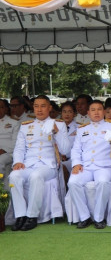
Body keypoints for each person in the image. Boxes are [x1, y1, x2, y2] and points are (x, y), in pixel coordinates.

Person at [9, 95, 70, 231]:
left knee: (36, 176)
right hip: (29, 164)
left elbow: (66, 149)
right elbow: (19, 148)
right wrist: (17, 162)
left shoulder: (59, 124)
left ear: (49, 108)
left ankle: (32, 216)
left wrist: (56, 131)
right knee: (14, 176)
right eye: (36, 106)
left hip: (48, 165)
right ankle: (20, 215)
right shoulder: (26, 126)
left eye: (43, 106)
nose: (39, 109)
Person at [68, 100, 111, 229]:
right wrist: (76, 164)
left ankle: (99, 218)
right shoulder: (82, 129)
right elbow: (76, 149)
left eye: (99, 109)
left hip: (105, 166)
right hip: (86, 167)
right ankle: (85, 217)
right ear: (88, 113)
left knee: (103, 182)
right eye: (93, 110)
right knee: (73, 182)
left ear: (104, 112)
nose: (96, 112)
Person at [0, 99, 20, 188]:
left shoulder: (14, 122)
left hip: (9, 153)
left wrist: (4, 150)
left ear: (6, 109)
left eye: (1, 107)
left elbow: (16, 142)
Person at [60, 101, 78, 181]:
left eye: (70, 112)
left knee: (62, 167)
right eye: (64, 111)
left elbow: (79, 147)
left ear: (74, 114)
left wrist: (66, 155)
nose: (67, 114)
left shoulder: (79, 128)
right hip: (58, 158)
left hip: (72, 159)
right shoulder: (56, 127)